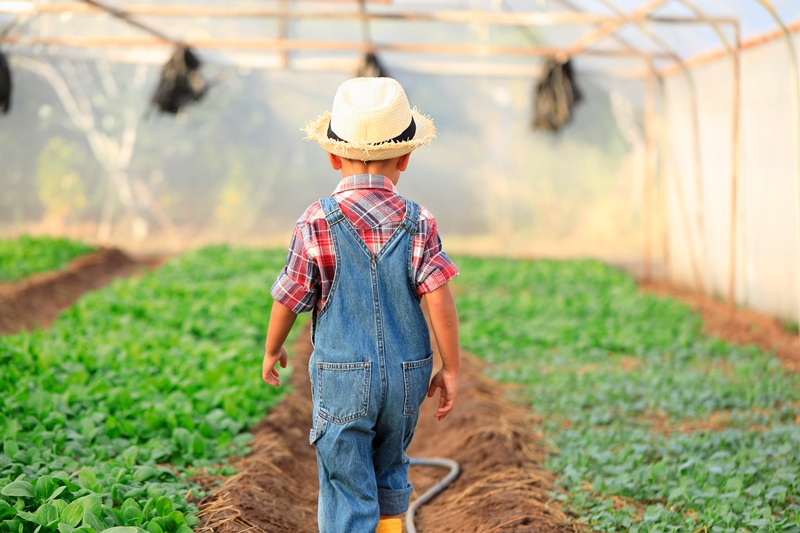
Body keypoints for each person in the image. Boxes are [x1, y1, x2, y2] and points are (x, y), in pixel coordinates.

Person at [261, 77, 461, 533]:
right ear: (406, 158)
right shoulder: (420, 221)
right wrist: (450, 367)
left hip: (343, 379)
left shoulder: (316, 220)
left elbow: (289, 295)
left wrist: (273, 348)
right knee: (391, 468)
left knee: (346, 483)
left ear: (333, 156)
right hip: (407, 375)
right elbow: (440, 298)